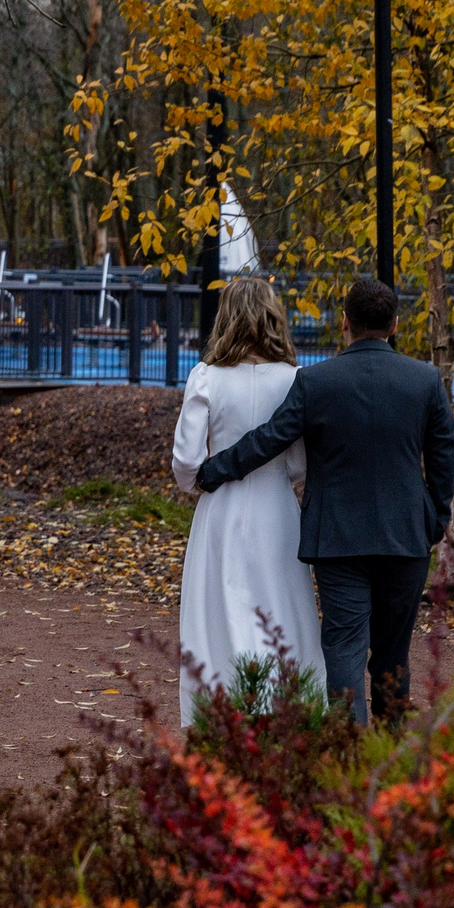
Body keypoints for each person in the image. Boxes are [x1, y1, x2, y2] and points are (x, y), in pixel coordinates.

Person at [196, 277, 454, 726]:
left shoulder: (317, 381)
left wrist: (216, 469)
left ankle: (347, 748)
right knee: (394, 653)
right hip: (406, 536)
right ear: (395, 324)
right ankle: (390, 745)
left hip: (338, 538)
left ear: (344, 322)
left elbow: (271, 438)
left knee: (343, 650)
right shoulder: (425, 380)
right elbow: (444, 455)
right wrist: (434, 519)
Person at [170, 276, 324, 724]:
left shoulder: (207, 378)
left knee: (217, 607)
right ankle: (285, 701)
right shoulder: (294, 379)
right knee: (281, 603)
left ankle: (220, 704)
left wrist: (199, 484)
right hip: (277, 508)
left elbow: (186, 459)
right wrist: (277, 477)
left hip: (221, 508)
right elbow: (301, 461)